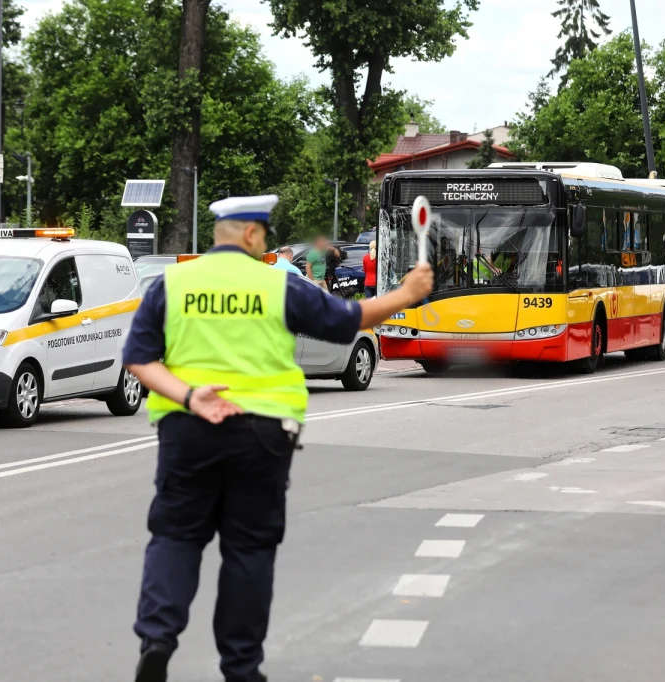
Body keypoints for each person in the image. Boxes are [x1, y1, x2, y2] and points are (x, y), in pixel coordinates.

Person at [123, 195, 433, 682]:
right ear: (251, 234)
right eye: (264, 235)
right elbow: (351, 321)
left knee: (176, 536)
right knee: (248, 550)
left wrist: (191, 396)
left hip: (188, 431)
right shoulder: (278, 285)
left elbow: (139, 359)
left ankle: (157, 639)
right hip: (261, 434)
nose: (265, 244)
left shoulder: (172, 284)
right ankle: (241, 668)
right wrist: (407, 293)